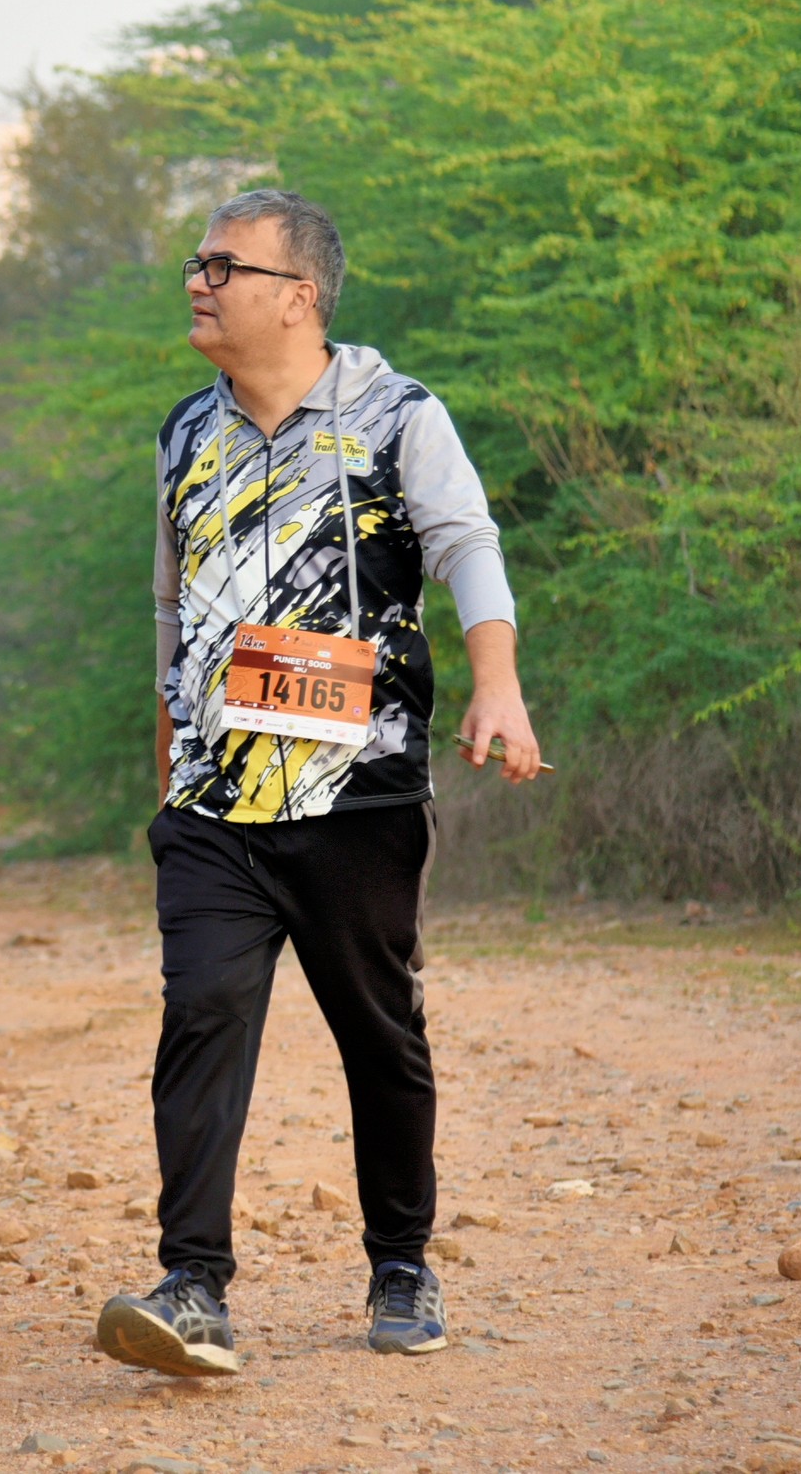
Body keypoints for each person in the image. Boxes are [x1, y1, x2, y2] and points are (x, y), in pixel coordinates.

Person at [96, 189, 541, 1379]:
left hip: (358, 794)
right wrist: (166, 771)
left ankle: (400, 1260)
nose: (197, 281)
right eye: (195, 262)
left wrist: (497, 684)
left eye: (223, 266)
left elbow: (466, 545)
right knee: (200, 1018)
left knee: (378, 1032)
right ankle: (193, 1282)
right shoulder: (183, 433)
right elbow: (167, 608)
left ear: (298, 296)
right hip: (213, 804)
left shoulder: (398, 415)